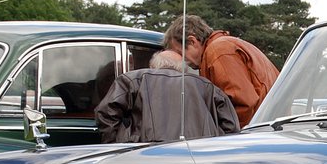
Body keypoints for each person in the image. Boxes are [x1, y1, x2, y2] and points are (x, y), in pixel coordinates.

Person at [95, 49, 240, 143]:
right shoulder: (208, 87)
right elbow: (231, 127)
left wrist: (119, 144)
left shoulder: (132, 79)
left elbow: (106, 114)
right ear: (183, 69)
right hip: (198, 157)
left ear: (153, 66)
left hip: (144, 155)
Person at [163, 15, 280, 127]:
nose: (181, 60)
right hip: (268, 128)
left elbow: (243, 105)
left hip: (254, 135)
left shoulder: (218, 51)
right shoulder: (227, 45)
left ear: (192, 41)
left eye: (179, 53)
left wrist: (222, 136)